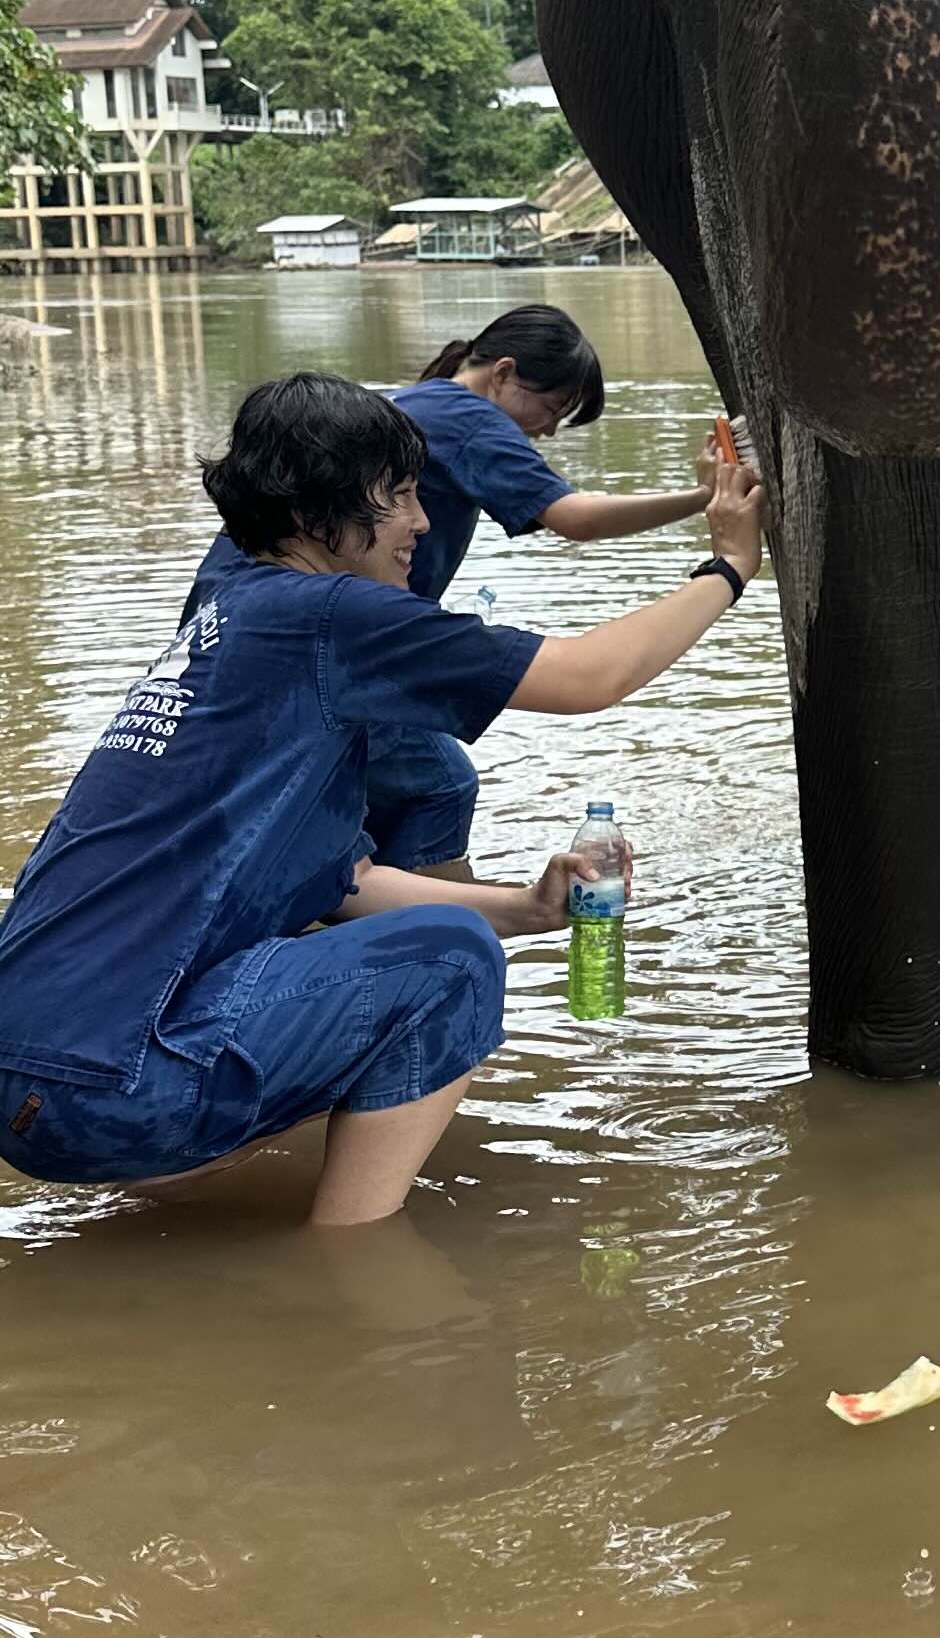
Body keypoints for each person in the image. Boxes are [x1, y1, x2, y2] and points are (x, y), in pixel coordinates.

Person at [0, 372, 764, 1225]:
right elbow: (589, 676)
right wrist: (729, 565)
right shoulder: (330, 614)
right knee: (451, 962)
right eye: (397, 494)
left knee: (409, 936)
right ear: (315, 509)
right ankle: (355, 1262)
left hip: (28, 1080)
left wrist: (524, 907)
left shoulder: (231, 611)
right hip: (109, 1084)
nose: (422, 521)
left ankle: (172, 1184)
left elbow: (348, 882)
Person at [182, 305, 719, 871]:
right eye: (552, 408)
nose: (548, 431)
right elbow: (575, 519)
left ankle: (362, 887)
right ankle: (434, 915)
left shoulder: (419, 401)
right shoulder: (469, 416)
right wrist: (704, 503)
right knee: (440, 780)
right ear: (504, 373)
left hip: (227, 616)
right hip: (322, 630)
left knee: (345, 777)